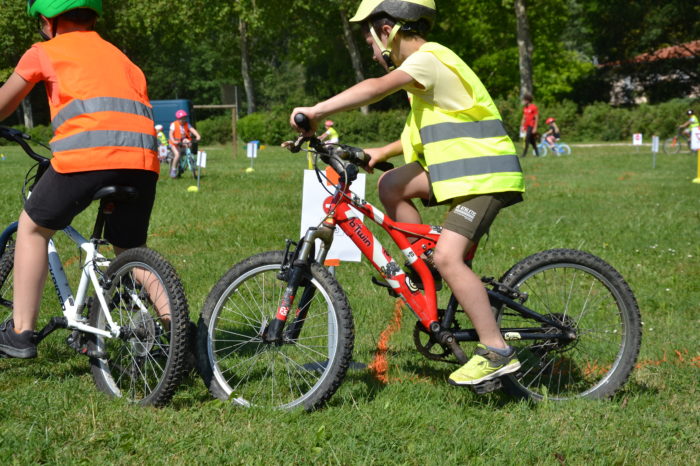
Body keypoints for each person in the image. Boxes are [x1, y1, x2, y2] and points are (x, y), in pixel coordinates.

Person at [290, 0, 524, 386]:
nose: (370, 50)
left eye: (369, 40)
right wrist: (379, 154)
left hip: (484, 176)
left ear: (387, 31)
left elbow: (376, 88)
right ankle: (422, 265)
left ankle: (495, 350)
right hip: (459, 173)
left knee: (450, 258)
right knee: (391, 184)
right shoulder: (425, 81)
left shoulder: (429, 60)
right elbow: (415, 138)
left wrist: (317, 110)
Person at [0, 0, 161, 358]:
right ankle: (178, 330)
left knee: (33, 227)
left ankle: (21, 332)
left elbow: (4, 104)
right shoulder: (121, 57)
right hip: (143, 161)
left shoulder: (44, 51)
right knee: (130, 251)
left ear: (49, 20)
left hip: (86, 157)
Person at [168, 109, 201, 178]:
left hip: (183, 140)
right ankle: (173, 169)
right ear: (177, 119)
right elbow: (170, 134)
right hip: (174, 142)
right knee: (177, 154)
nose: (183, 120)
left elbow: (192, 130)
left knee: (188, 143)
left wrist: (198, 136)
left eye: (184, 118)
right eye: (181, 119)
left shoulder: (187, 124)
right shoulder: (174, 124)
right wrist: (173, 141)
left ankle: (190, 158)